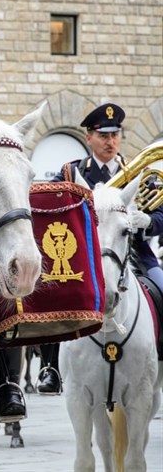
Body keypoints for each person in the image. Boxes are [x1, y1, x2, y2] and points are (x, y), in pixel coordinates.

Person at [38, 102, 163, 393]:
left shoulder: (136, 173)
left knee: (162, 287)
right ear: (89, 138)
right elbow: (51, 208)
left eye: (115, 134)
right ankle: (51, 367)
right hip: (82, 258)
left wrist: (147, 221)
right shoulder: (71, 173)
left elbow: (161, 214)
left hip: (134, 257)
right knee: (50, 294)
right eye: (103, 135)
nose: (110, 141)